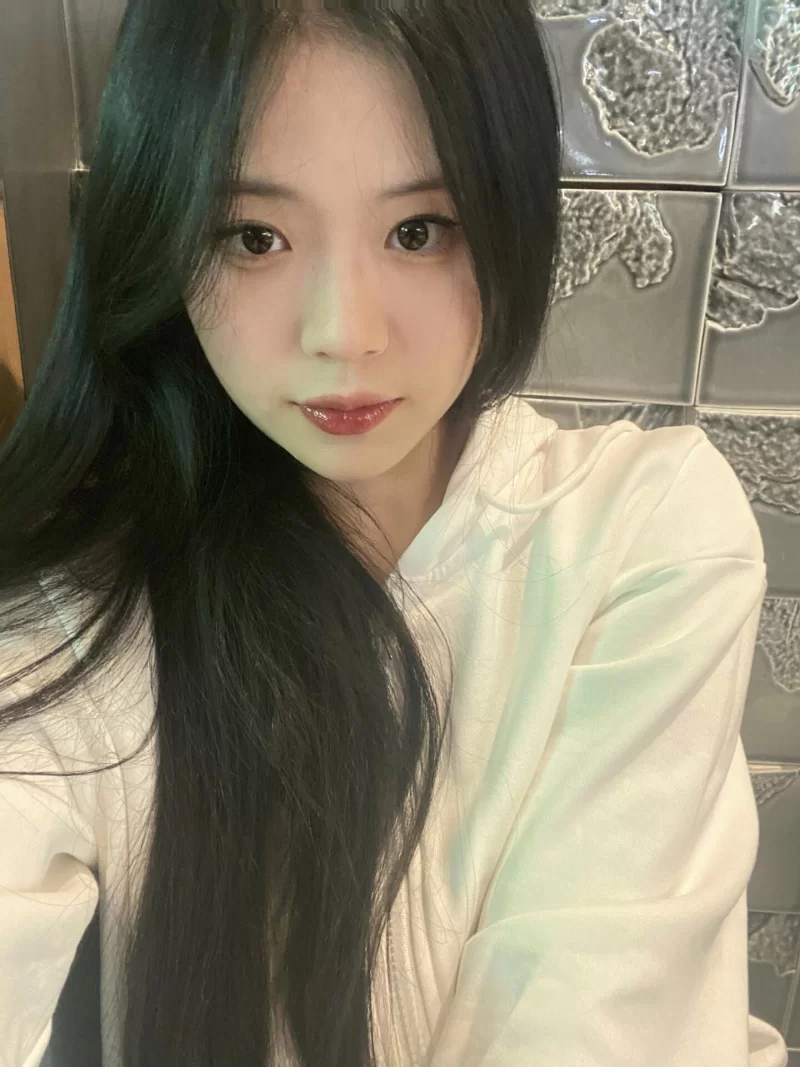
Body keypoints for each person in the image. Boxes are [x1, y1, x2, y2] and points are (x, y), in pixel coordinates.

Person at [0, 3, 788, 1066]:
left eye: (418, 230)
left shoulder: (638, 536)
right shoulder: (78, 621)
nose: (346, 333)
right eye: (255, 236)